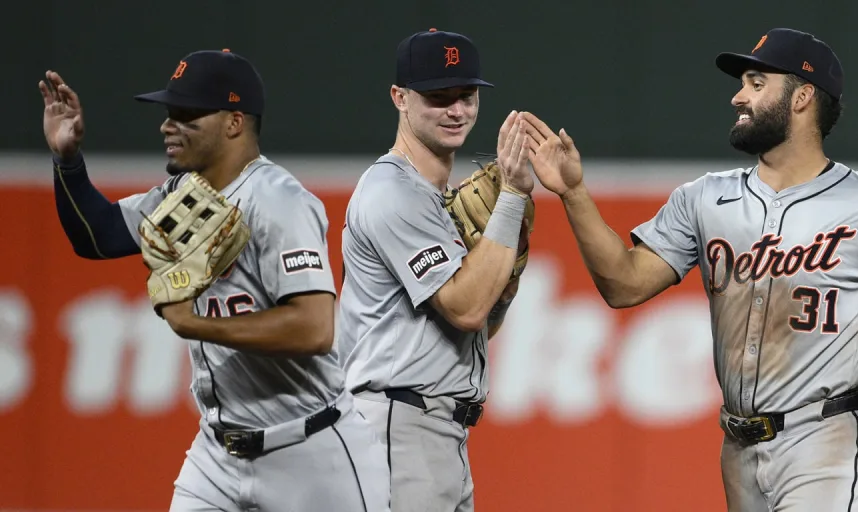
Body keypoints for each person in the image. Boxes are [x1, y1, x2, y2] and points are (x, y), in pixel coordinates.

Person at [521, 28, 858, 511]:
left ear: (802, 97)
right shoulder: (704, 198)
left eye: (757, 83)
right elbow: (624, 284)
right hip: (738, 445)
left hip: (827, 439)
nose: (738, 95)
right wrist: (572, 193)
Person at [40, 49, 389, 512]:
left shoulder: (279, 200)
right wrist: (68, 160)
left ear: (234, 122)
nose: (168, 126)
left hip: (312, 451)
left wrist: (196, 324)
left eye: (187, 115)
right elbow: (96, 235)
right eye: (169, 114)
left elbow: (315, 328)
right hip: (217, 455)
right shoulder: (182, 195)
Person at [337, 28, 531, 512]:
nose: (456, 110)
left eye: (466, 96)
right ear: (400, 98)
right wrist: (511, 197)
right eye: (438, 97)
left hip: (435, 432)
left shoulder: (434, 199)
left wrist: (504, 279)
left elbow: (482, 320)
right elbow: (463, 308)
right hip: (397, 429)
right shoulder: (393, 192)